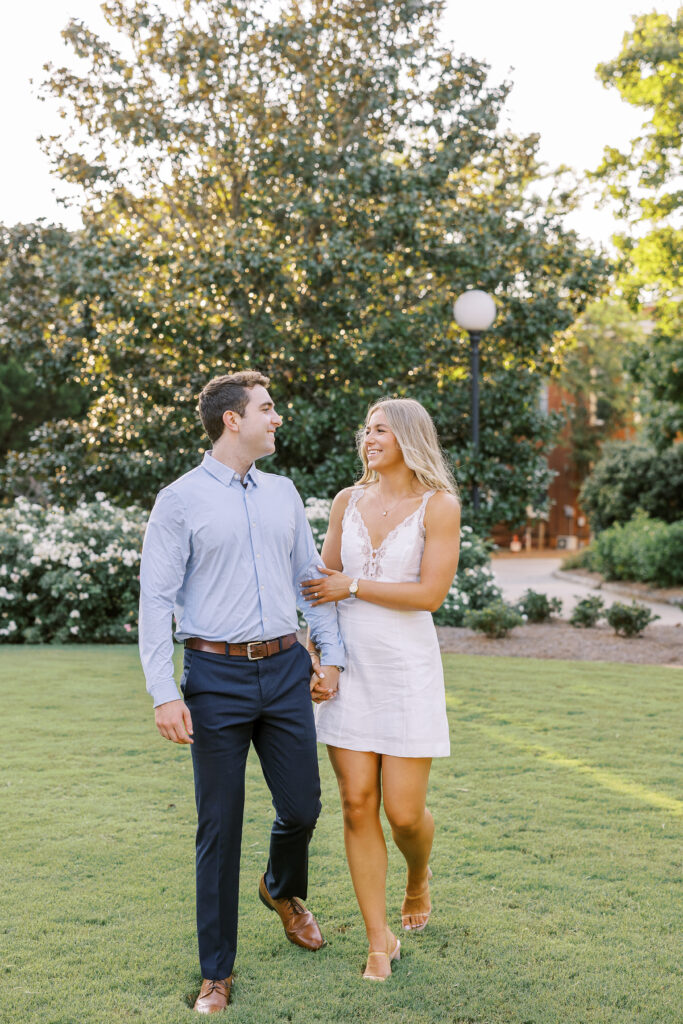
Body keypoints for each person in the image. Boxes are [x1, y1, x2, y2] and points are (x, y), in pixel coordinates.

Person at [138, 370, 345, 1014]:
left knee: (305, 808)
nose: (276, 418)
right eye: (267, 408)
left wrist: (330, 656)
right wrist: (162, 691)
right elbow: (156, 599)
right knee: (219, 828)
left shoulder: (283, 491)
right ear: (233, 419)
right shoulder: (179, 500)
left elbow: (311, 579)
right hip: (215, 680)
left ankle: (281, 889)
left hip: (285, 670)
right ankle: (216, 973)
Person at [301, 398, 460, 981]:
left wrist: (353, 586)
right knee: (356, 802)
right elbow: (321, 588)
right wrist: (319, 656)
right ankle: (377, 940)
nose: (370, 438)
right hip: (349, 668)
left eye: (382, 430)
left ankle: (418, 876)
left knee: (404, 811)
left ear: (410, 438)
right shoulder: (347, 500)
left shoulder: (439, 506)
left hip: (407, 668)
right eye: (367, 429)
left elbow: (429, 595)